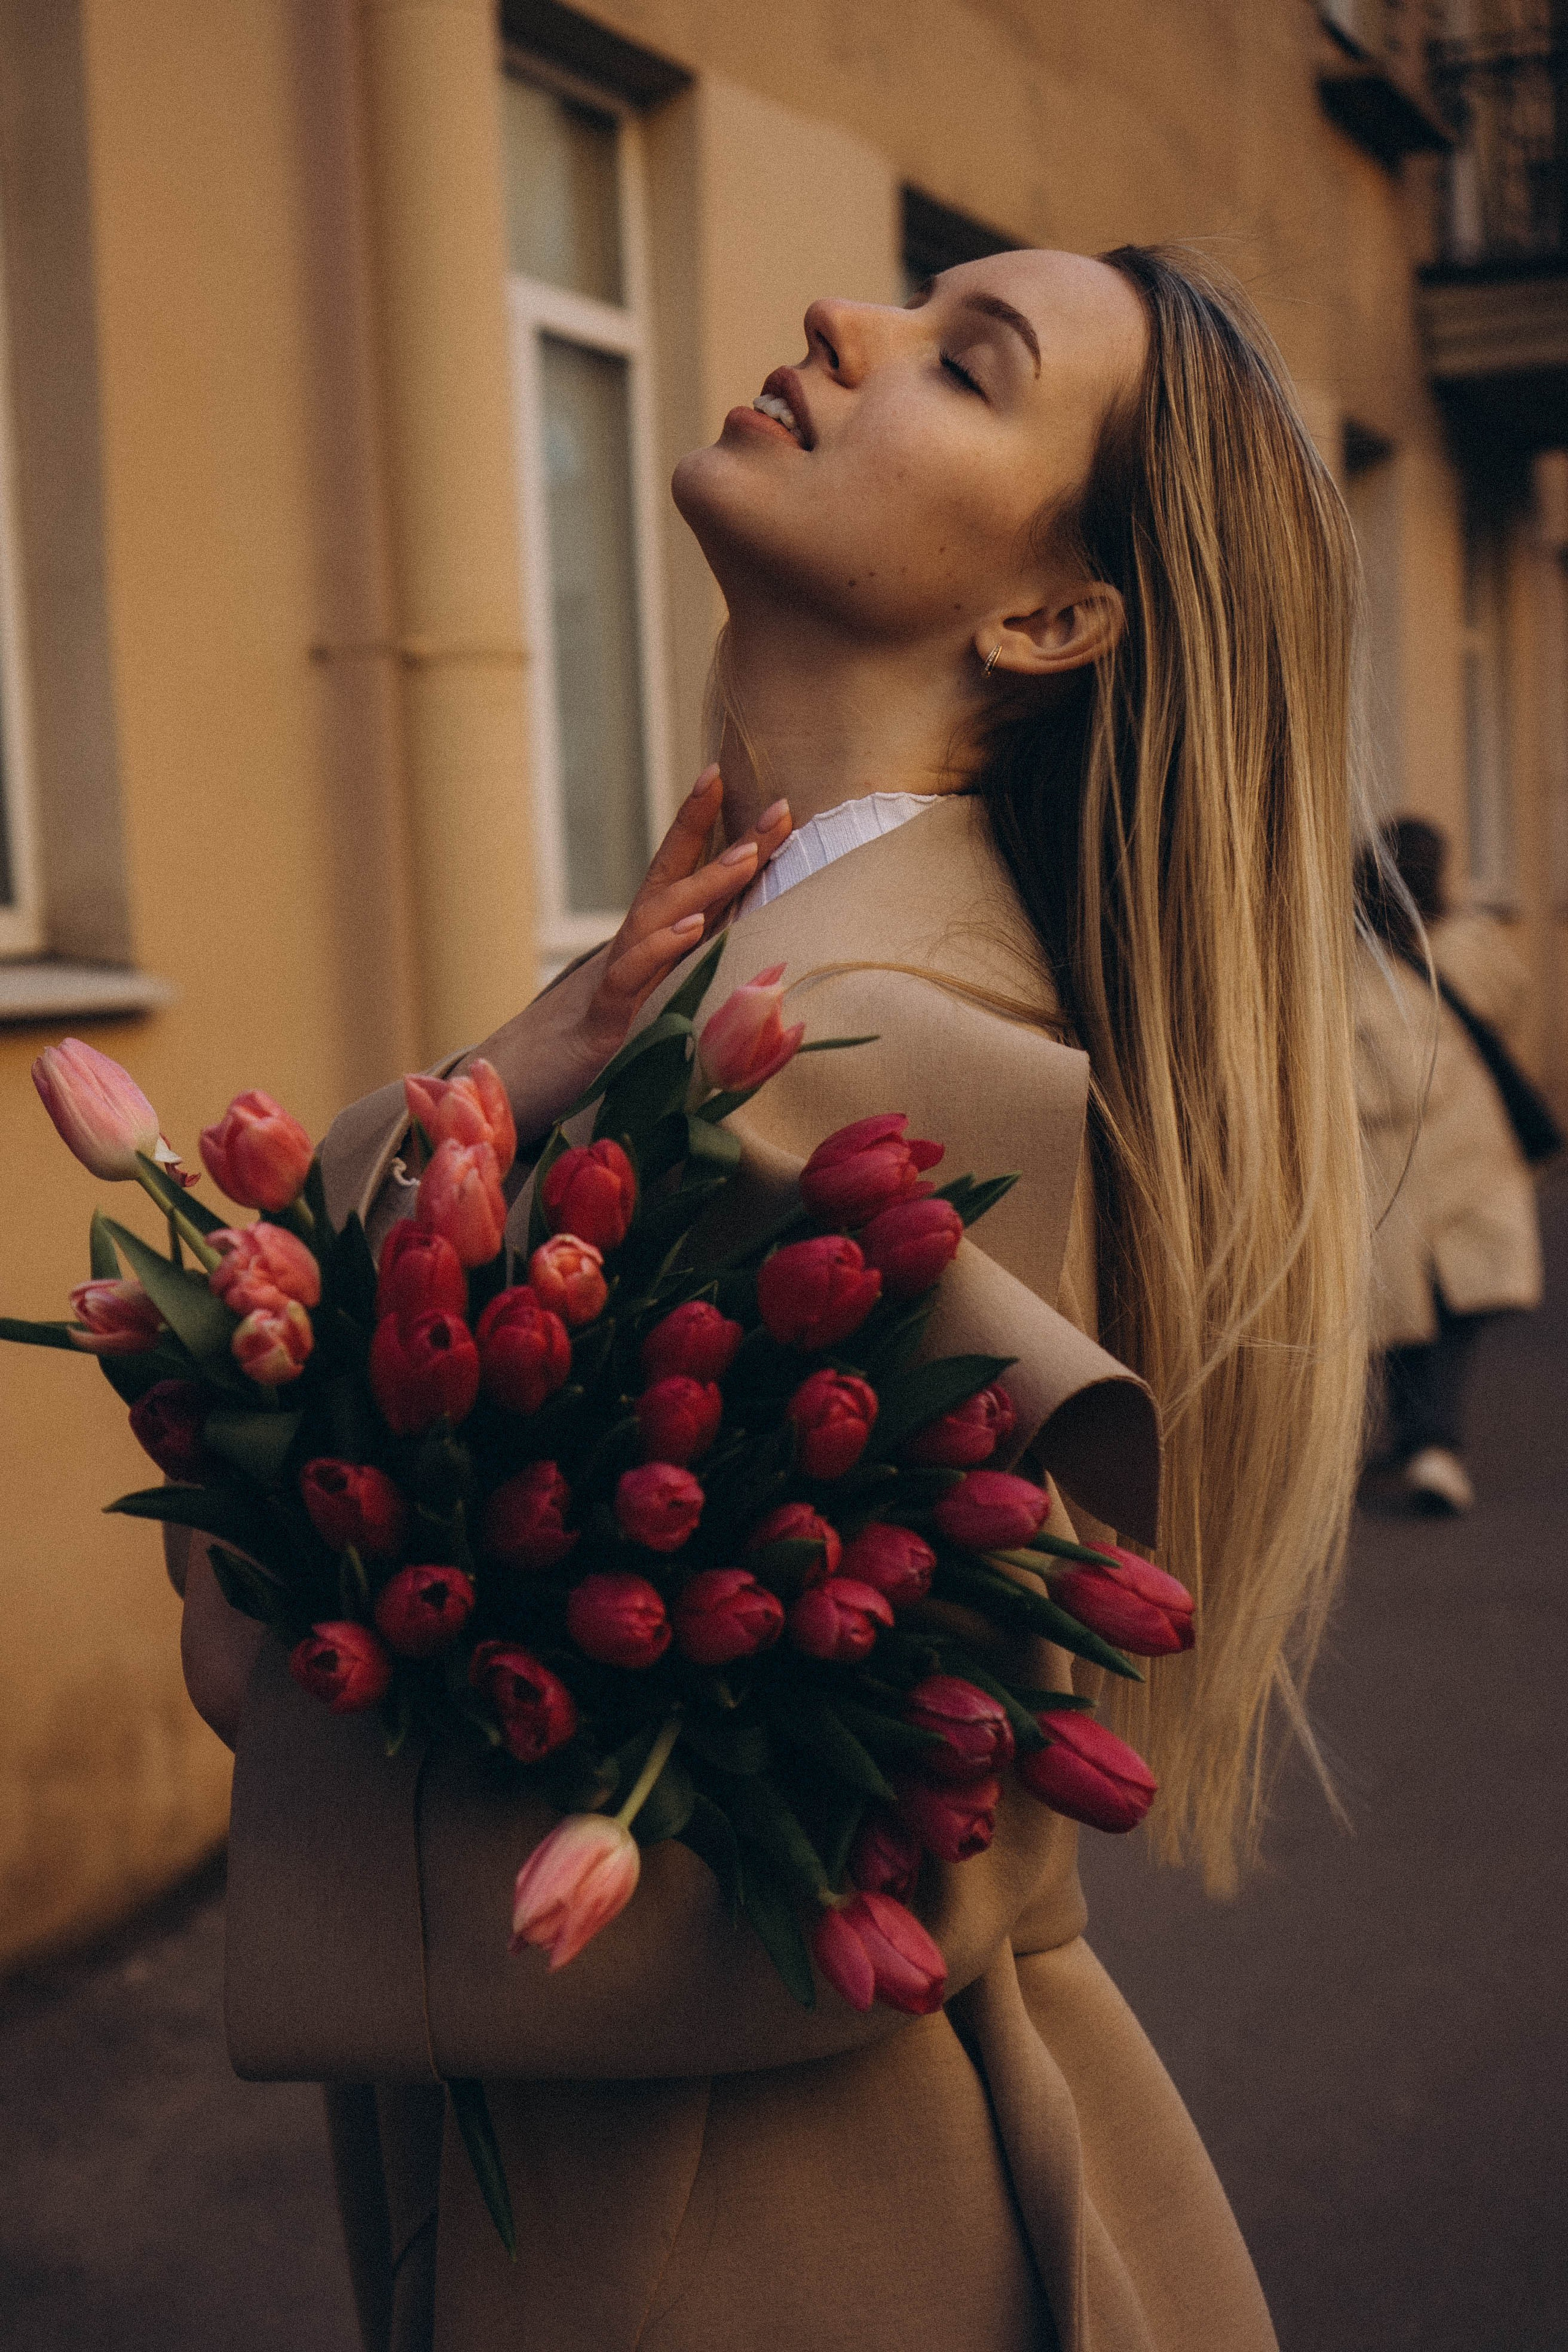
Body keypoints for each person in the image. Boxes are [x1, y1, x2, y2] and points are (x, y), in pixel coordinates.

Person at [179, 246, 1371, 2352]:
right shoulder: (737, 984)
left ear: (1051, 618)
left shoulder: (922, 1061)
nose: (845, 320)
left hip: (774, 2231)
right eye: (914, 301)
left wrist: (292, 1556)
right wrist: (500, 1088)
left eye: (964, 360)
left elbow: (719, 1774)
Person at [1356, 816, 1544, 1513]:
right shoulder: (1470, 945)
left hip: (1391, 1172)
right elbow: (1511, 1003)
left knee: (1409, 1312)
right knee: (1450, 1315)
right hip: (1472, 1159)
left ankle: (1425, 1442)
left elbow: (1378, 1079)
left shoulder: (1350, 963)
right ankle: (1428, 1444)